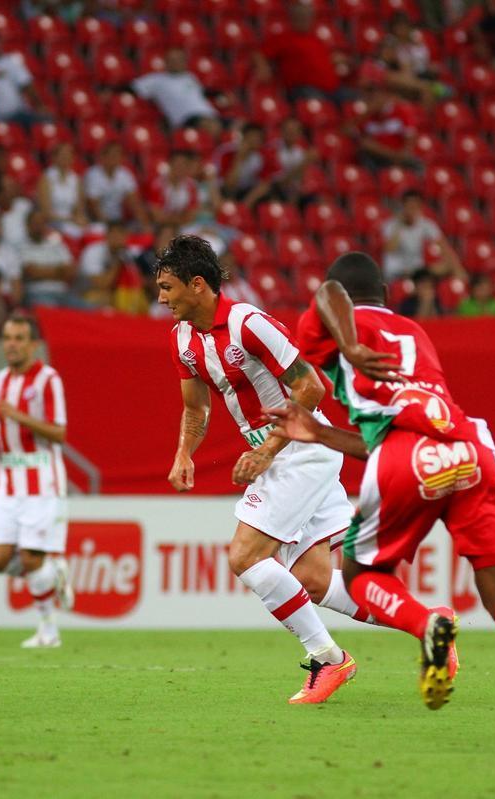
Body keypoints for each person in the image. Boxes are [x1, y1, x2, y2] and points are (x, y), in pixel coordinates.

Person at [269, 252, 495, 746]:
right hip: (471, 446)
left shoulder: (334, 317)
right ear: (387, 293)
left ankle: (426, 621)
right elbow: (386, 432)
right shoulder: (416, 333)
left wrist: (348, 344)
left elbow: (328, 298)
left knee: (362, 575)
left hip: (408, 453)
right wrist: (321, 433)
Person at [155, 234, 370, 704]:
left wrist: (266, 451)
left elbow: (310, 389)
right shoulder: (182, 340)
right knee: (314, 580)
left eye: (168, 287)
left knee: (244, 555)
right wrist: (184, 452)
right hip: (280, 456)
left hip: (299, 448)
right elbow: (196, 409)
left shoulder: (249, 324)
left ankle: (330, 660)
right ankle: (427, 621)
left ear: (198, 285)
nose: (161, 298)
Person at [0, 314, 74, 649]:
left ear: (33, 344)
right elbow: (4, 431)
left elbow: (59, 432)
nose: (12, 344)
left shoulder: (47, 379)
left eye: (19, 338)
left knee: (30, 558)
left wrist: (19, 416)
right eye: (8, 337)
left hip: (42, 481)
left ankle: (48, 630)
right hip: (7, 483)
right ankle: (53, 572)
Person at [253, 2, 345, 102]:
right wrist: (262, 67)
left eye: (307, 16)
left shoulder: (316, 39)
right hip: (304, 89)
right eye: (301, 16)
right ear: (293, 18)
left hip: (332, 89)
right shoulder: (283, 38)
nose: (305, 19)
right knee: (318, 103)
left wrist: (335, 59)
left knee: (356, 99)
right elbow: (259, 54)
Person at [132, 47, 221, 136]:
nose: (177, 63)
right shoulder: (156, 80)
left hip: (210, 115)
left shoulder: (190, 77)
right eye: (173, 60)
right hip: (185, 119)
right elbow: (131, 88)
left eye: (179, 59)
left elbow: (203, 92)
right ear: (166, 62)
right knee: (210, 126)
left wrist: (220, 95)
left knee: (233, 124)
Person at [381, 190, 459, 280]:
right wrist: (399, 226)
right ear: (403, 207)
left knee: (444, 267)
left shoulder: (426, 224)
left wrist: (458, 269)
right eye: (409, 206)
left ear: (420, 208)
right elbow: (390, 248)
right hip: (396, 273)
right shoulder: (390, 225)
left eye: (414, 207)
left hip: (417, 272)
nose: (411, 210)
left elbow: (444, 247)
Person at [0, 28, 44, 124]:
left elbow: (28, 86)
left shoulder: (12, 62)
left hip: (17, 116)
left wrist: (39, 106)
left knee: (45, 121)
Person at [19, 209, 80, 308]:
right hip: (37, 293)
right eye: (35, 223)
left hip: (63, 294)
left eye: (41, 223)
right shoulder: (21, 246)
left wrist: (42, 271)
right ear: (27, 225)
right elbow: (32, 273)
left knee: (95, 311)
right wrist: (59, 271)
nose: (38, 226)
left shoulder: (56, 244)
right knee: (52, 311)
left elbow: (71, 271)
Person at [352, 84, 421, 170]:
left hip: (399, 156)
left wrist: (398, 158)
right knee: (365, 146)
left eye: (378, 95)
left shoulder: (401, 111)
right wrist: (368, 113)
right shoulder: (366, 115)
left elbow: (410, 140)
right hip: (376, 157)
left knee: (415, 164)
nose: (376, 99)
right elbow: (347, 130)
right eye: (372, 96)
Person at [214, 124, 278, 206]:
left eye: (258, 138)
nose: (254, 141)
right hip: (226, 190)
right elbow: (228, 185)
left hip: (248, 192)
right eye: (251, 137)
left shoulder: (263, 155)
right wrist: (239, 159)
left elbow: (265, 184)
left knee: (269, 193)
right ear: (243, 137)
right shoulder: (227, 152)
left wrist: (245, 204)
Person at [36, 142, 89, 238]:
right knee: (74, 233)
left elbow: (79, 210)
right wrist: (70, 219)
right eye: (63, 155)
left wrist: (80, 219)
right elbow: (45, 213)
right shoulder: (46, 178)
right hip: (53, 223)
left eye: (69, 155)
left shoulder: (76, 179)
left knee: (96, 230)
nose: (66, 158)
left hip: (71, 222)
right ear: (54, 158)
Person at [147, 150, 200, 227]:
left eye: (184, 165)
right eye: (177, 164)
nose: (180, 168)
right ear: (170, 165)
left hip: (184, 226)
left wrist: (170, 218)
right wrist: (180, 218)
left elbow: (190, 216)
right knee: (167, 232)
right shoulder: (157, 185)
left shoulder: (192, 186)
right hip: (160, 226)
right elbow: (157, 217)